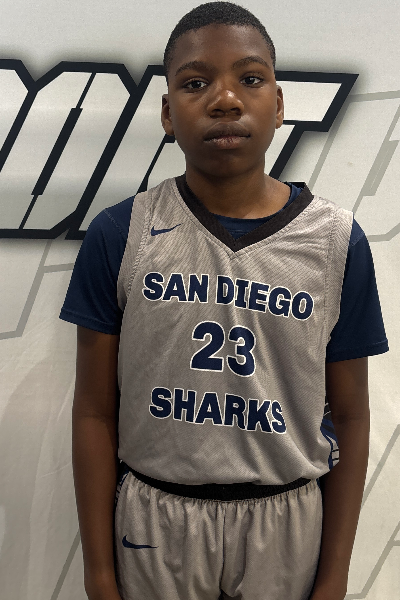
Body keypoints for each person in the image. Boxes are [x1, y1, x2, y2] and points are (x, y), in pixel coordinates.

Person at [60, 3, 389, 599]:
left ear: (279, 104)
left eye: (250, 78)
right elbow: (94, 412)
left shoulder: (336, 241)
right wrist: (100, 572)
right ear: (167, 112)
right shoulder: (121, 234)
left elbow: (350, 417)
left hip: (285, 520)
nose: (225, 100)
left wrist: (336, 575)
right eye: (195, 83)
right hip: (155, 518)